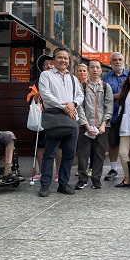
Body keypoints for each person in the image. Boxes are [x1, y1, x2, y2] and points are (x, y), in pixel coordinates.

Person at [37, 46, 84, 197]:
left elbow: (80, 95)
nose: (63, 60)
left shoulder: (73, 78)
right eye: (60, 57)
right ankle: (45, 185)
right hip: (54, 118)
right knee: (50, 153)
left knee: (69, 154)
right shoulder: (46, 75)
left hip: (71, 119)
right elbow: (45, 94)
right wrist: (64, 106)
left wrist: (74, 104)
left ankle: (63, 183)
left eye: (66, 58)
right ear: (54, 59)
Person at [75, 59, 114, 190]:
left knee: (99, 154)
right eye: (92, 67)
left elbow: (109, 107)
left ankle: (96, 179)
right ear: (88, 70)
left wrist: (103, 124)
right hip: (85, 126)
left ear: (101, 70)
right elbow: (79, 107)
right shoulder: (82, 86)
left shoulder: (106, 87)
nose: (95, 70)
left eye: (97, 67)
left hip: (102, 127)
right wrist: (85, 124)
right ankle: (82, 178)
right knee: (83, 154)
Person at [27, 54, 62, 182]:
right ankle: (42, 172)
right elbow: (30, 99)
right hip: (41, 117)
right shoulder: (36, 83)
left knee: (59, 146)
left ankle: (58, 173)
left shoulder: (61, 80)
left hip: (57, 117)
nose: (49, 66)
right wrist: (39, 93)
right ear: (42, 67)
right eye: (46, 64)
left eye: (51, 63)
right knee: (41, 146)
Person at [102, 52, 129, 181]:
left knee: (129, 143)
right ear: (111, 62)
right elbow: (103, 96)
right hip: (112, 115)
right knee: (112, 143)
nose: (118, 62)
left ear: (123, 61)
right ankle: (113, 169)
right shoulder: (106, 77)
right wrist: (117, 96)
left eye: (120, 59)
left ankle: (129, 169)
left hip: (128, 116)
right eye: (115, 60)